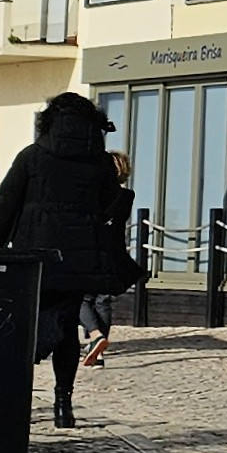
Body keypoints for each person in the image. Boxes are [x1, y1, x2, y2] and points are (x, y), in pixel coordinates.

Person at [0, 93, 136, 428]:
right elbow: (111, 210)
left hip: (35, 258)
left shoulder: (32, 157)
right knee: (67, 330)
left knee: (27, 326)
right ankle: (63, 404)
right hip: (80, 261)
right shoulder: (99, 163)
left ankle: (17, 402)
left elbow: (4, 206)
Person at [79, 148, 136, 367]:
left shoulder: (94, 194)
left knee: (80, 298)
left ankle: (95, 336)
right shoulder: (127, 196)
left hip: (90, 248)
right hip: (114, 251)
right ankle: (98, 352)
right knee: (103, 300)